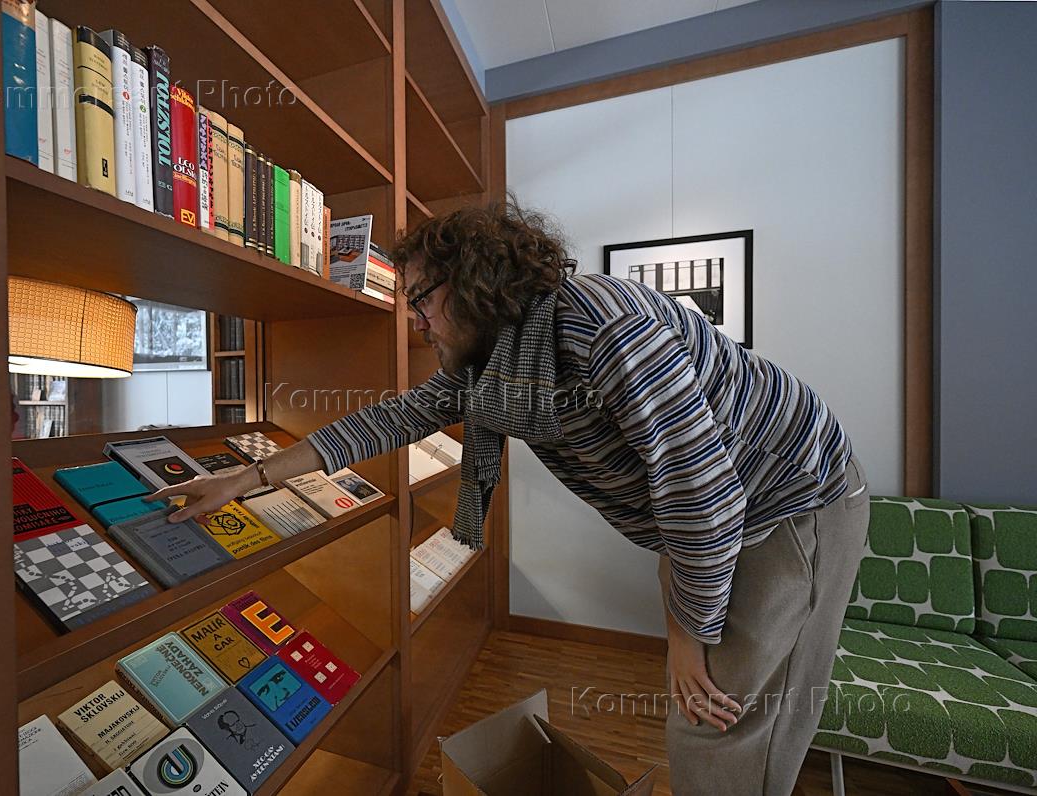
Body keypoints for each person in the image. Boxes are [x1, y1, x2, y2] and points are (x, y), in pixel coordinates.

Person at [147, 199, 871, 795]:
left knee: (720, 714)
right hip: (701, 519)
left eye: (420, 300)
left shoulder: (606, 330)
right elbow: (392, 419)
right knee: (704, 701)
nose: (415, 322)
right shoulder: (496, 358)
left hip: (793, 497)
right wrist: (247, 478)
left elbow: (701, 494)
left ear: (475, 282)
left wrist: (686, 635)